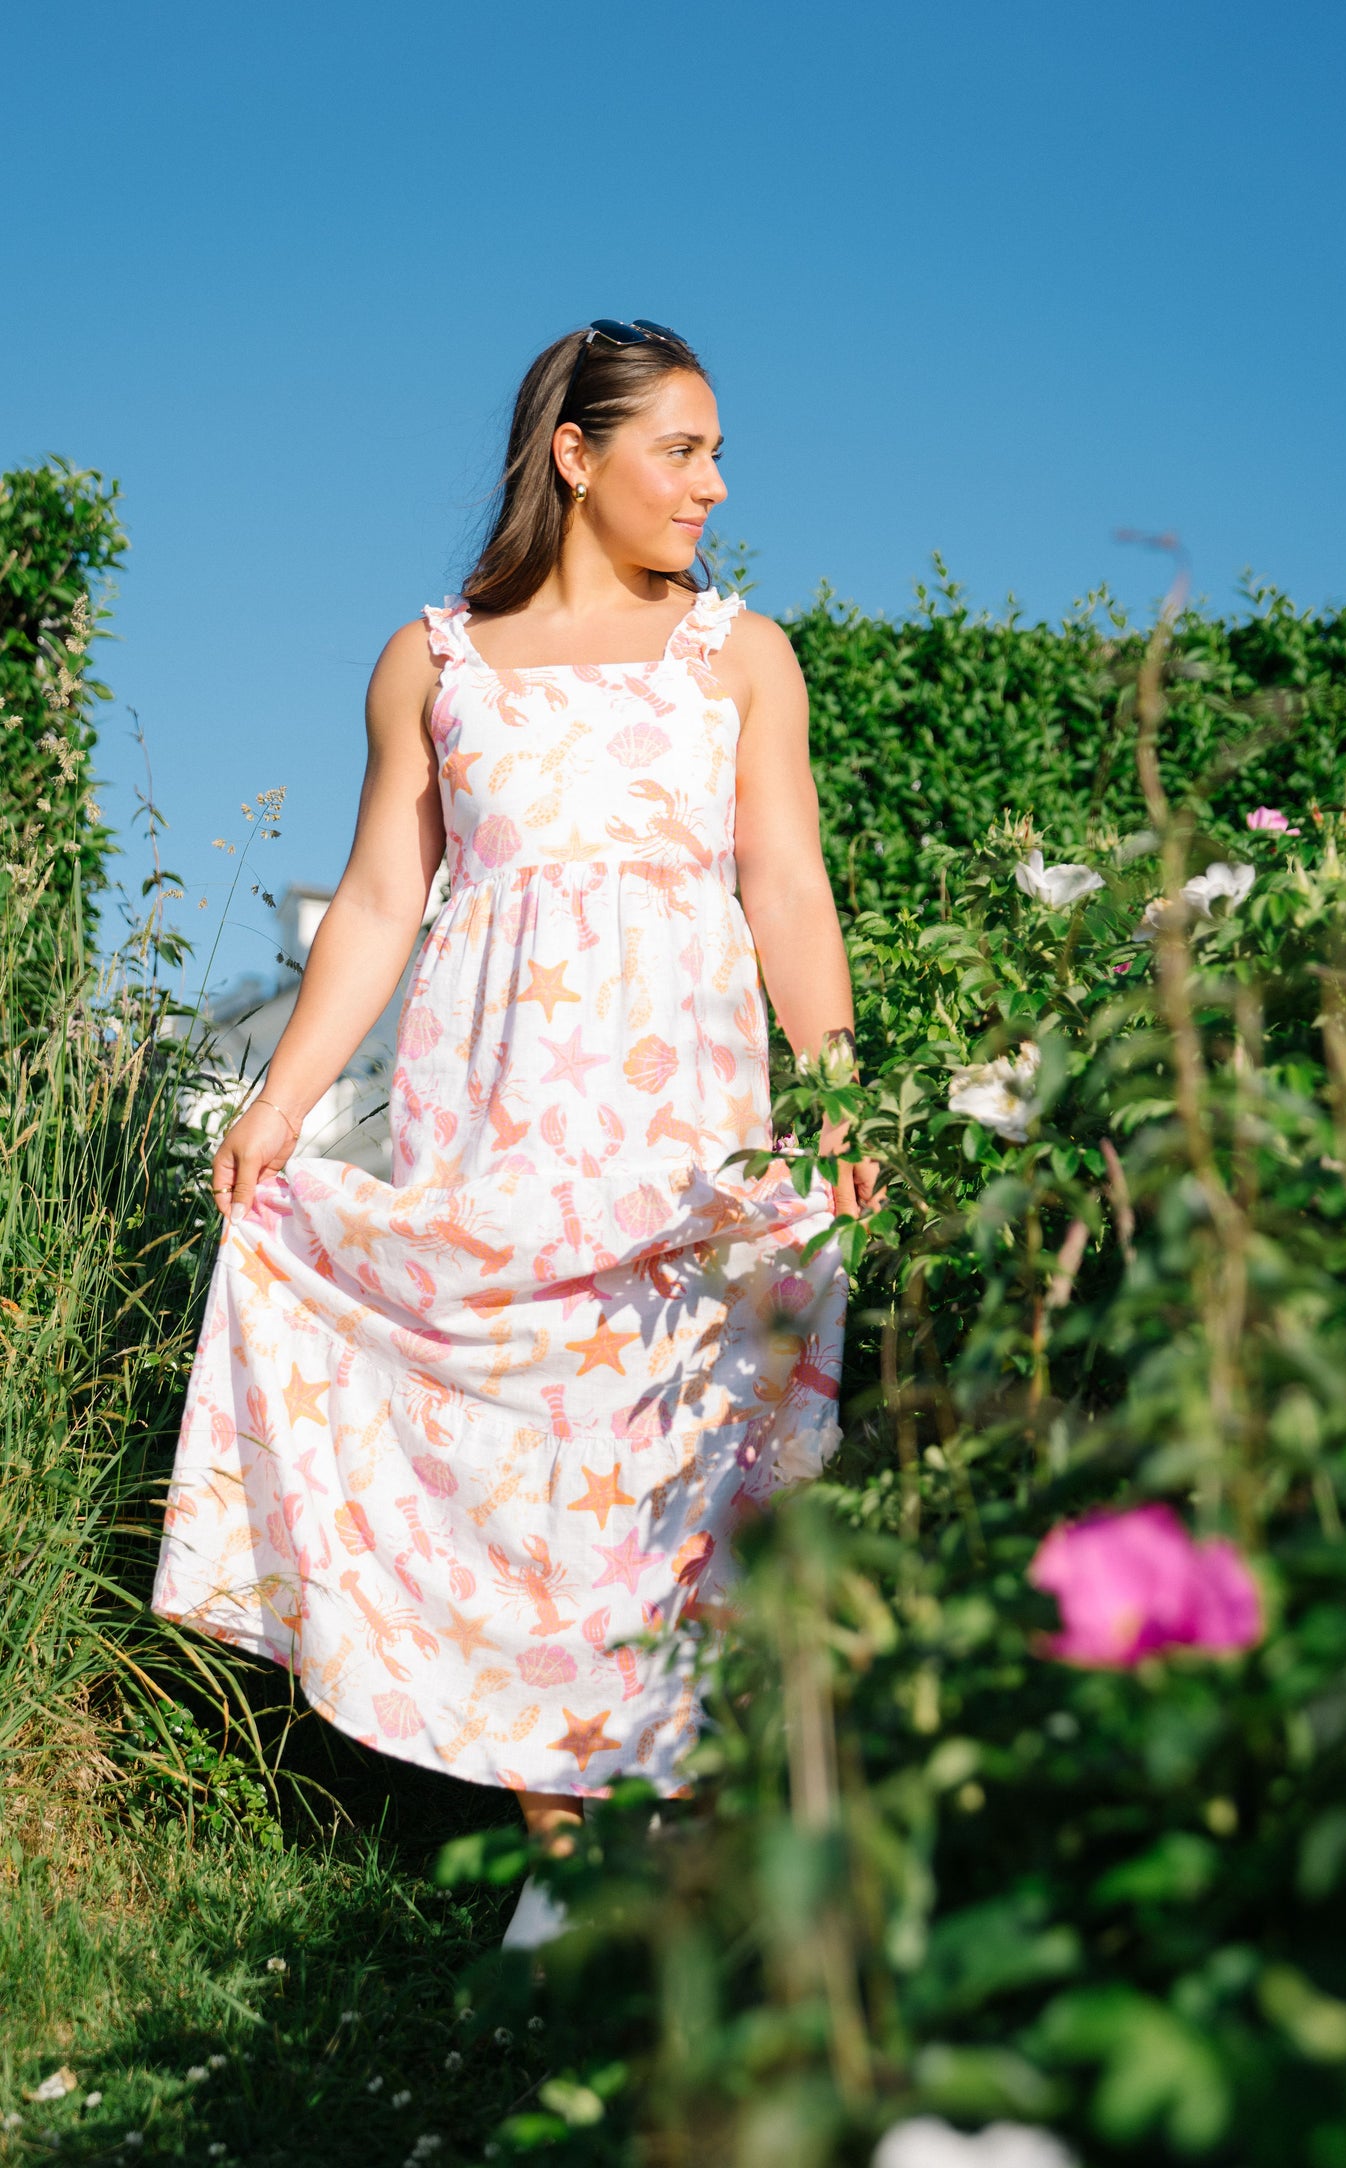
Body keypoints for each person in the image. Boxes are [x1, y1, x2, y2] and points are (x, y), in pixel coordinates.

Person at [152, 317, 883, 1948]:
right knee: (524, 1464)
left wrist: (836, 1089)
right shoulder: (433, 661)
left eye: (712, 451)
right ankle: (564, 1864)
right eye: (679, 449)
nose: (711, 483)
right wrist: (276, 1105)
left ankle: (683, 1855)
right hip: (494, 1119)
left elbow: (786, 883)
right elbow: (382, 903)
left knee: (680, 1456)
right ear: (575, 454)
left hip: (691, 1126)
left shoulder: (739, 656)